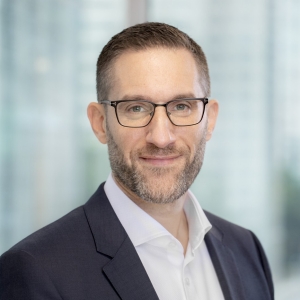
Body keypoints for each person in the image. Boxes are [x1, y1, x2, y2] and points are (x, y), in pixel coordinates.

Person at [0, 22, 274, 300]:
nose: (161, 137)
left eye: (181, 106)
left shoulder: (247, 250)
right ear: (100, 123)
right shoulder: (35, 269)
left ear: (210, 119)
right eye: (136, 108)